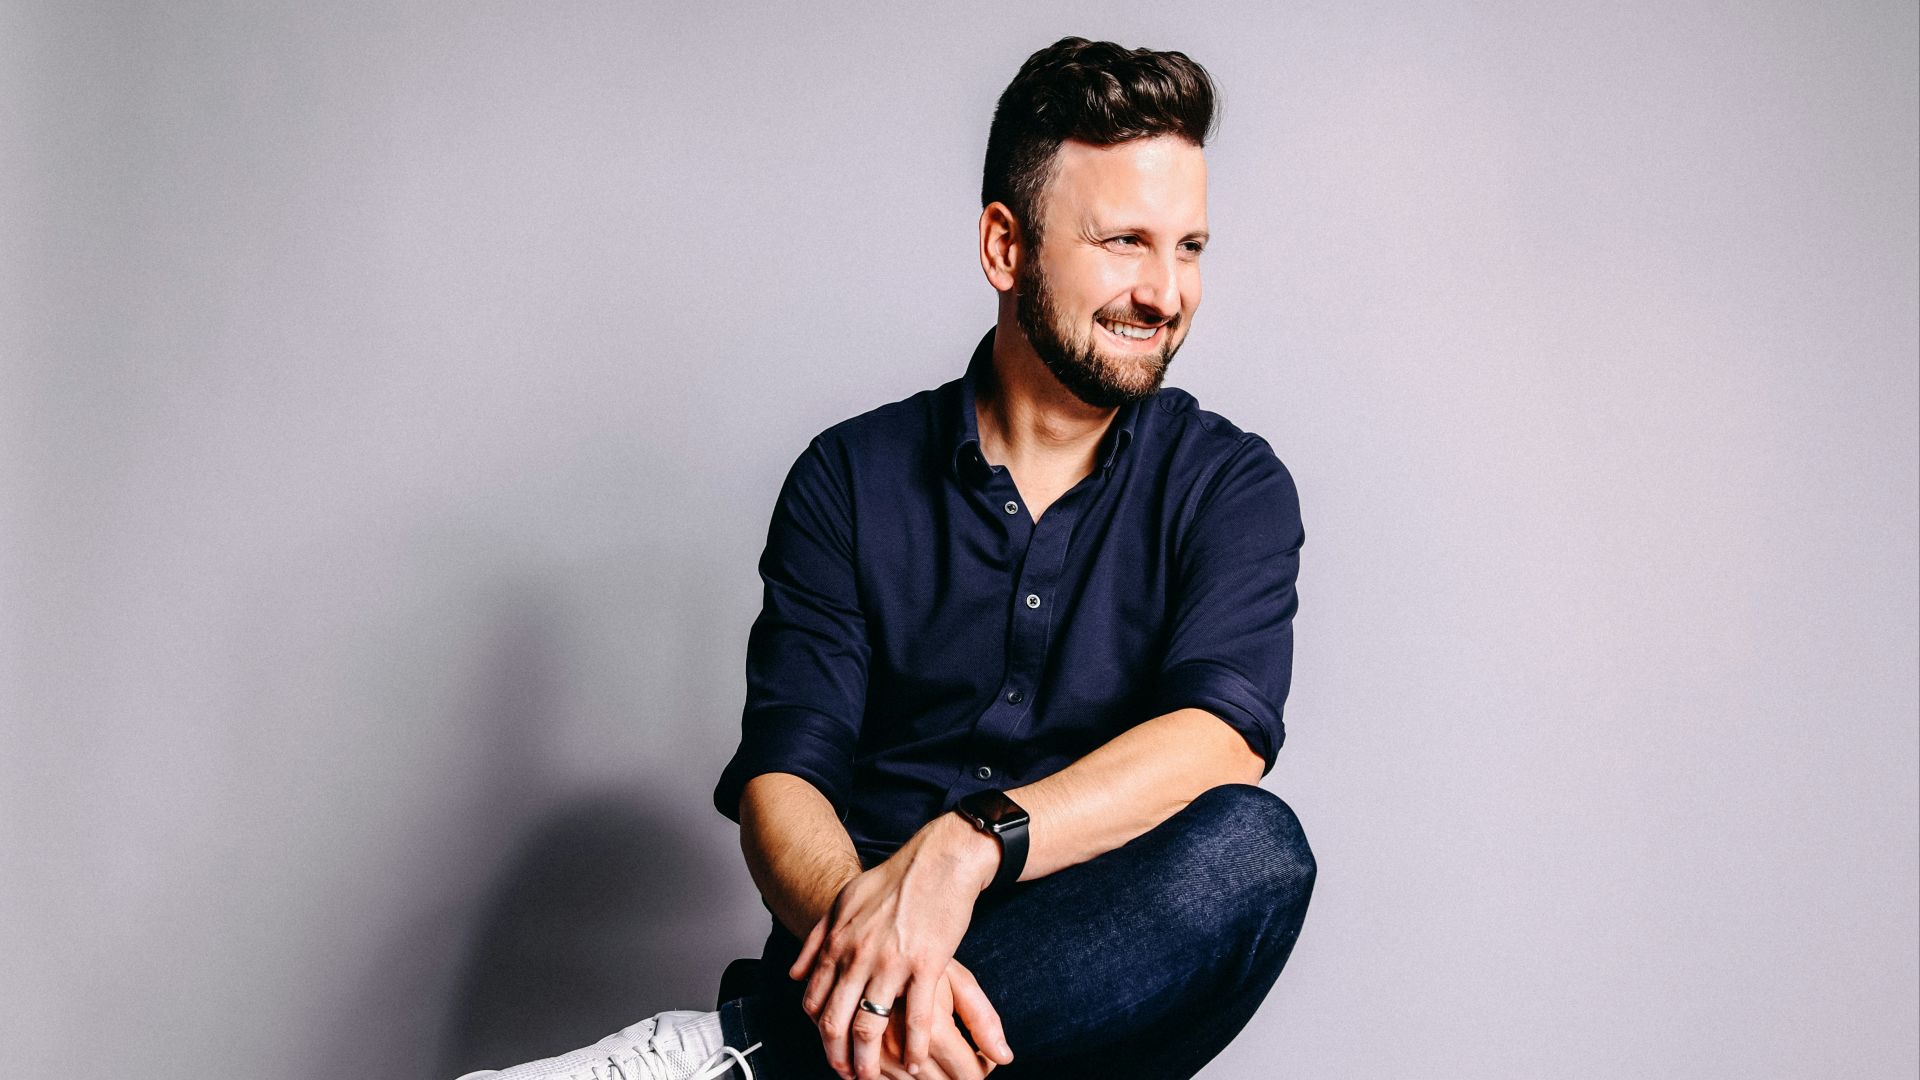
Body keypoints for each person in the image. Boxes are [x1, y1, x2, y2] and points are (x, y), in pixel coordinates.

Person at [455, 36, 1315, 1080]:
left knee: (1253, 855)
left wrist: (967, 847)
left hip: (1080, 1003)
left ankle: (746, 1062)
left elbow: (1222, 740)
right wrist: (883, 953)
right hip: (860, 1012)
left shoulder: (1231, 487)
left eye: (1191, 248)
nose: (1165, 292)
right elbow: (784, 785)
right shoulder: (850, 479)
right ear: (1007, 246)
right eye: (1126, 241)